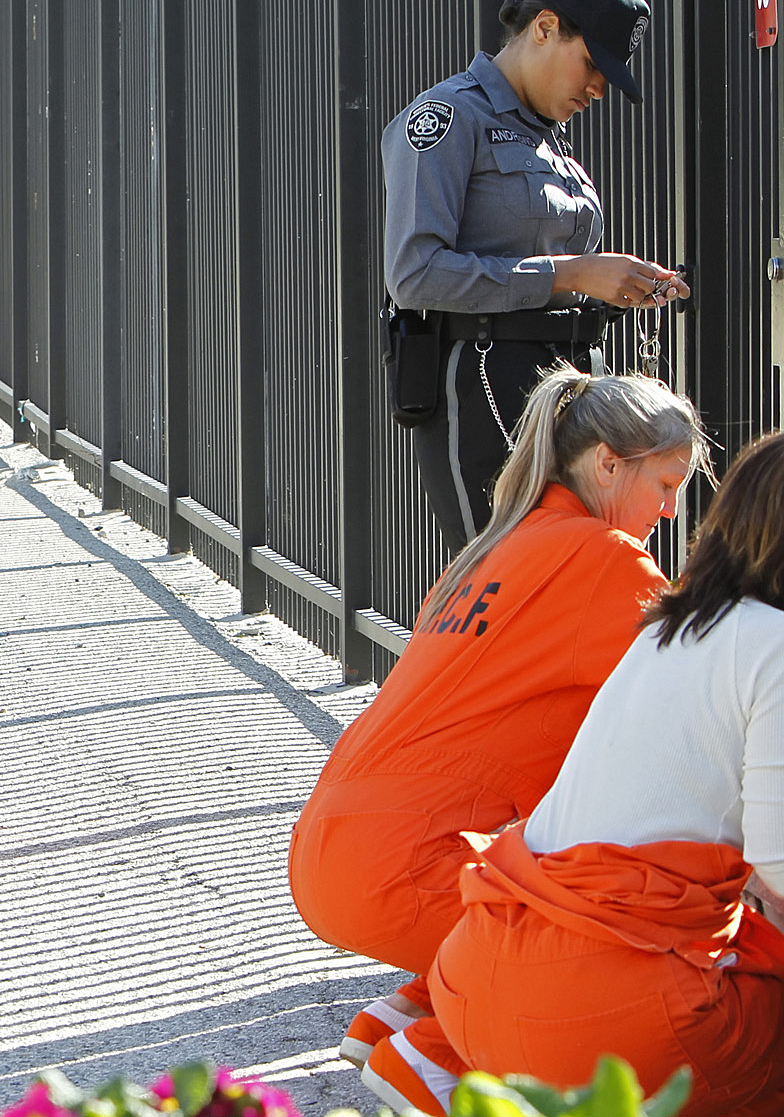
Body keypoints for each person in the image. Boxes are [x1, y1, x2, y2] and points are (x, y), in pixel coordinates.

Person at [287, 367, 705, 1115]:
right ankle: (437, 1055)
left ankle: (418, 1006)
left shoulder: (486, 553)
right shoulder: (606, 558)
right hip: (414, 868)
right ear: (608, 463)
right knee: (648, 957)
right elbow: (703, 702)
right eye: (666, 485)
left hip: (334, 846)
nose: (670, 512)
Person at [428, 431, 784, 1116]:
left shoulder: (669, 629)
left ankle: (421, 1053)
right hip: (617, 1021)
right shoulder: (773, 646)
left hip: (478, 984)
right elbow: (778, 868)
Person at [383, 0, 690, 549]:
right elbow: (415, 275)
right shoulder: (447, 118)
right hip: (480, 376)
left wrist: (615, 283)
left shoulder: (547, 134)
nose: (599, 88)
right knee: (507, 575)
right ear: (545, 28)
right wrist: (571, 272)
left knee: (569, 568)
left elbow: (554, 269)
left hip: (568, 380)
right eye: (593, 64)